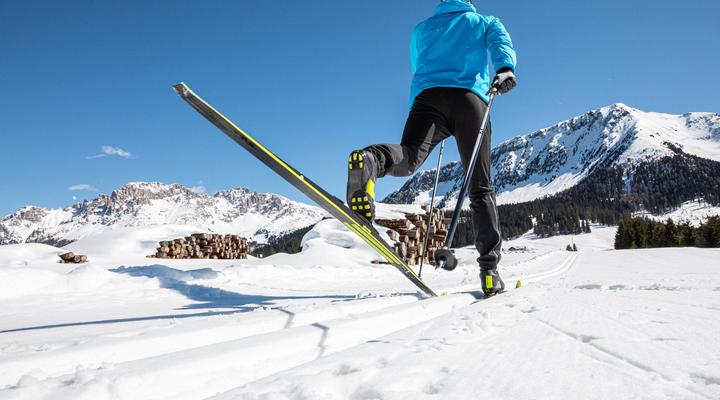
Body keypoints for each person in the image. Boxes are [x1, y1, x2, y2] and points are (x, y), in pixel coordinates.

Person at [346, 0, 517, 296]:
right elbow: (501, 45)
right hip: (470, 100)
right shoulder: (485, 22)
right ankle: (490, 272)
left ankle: (372, 161)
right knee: (480, 188)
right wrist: (504, 69)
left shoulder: (421, 29)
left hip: (428, 99)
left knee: (410, 157)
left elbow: (418, 64)